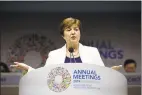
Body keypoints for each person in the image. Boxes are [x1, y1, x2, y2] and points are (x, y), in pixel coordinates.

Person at [10, 17, 121, 73]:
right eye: (68, 30)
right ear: (63, 36)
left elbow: (101, 75)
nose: (73, 32)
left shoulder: (92, 51)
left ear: (80, 33)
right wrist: (29, 69)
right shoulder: (54, 55)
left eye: (76, 29)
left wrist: (111, 72)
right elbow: (45, 76)